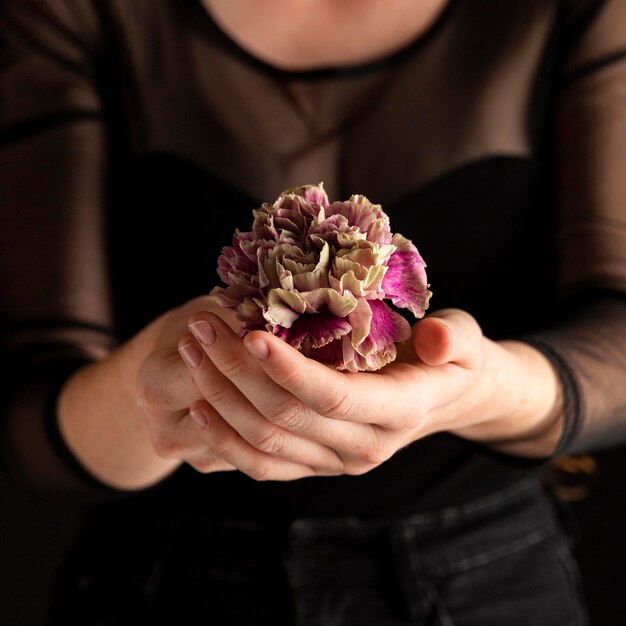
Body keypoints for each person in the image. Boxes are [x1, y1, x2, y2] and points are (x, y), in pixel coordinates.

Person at [1, 0, 625, 623]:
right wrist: (156, 391)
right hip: (160, 582)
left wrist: (481, 389)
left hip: (490, 584)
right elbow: (29, 418)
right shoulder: (74, 13)